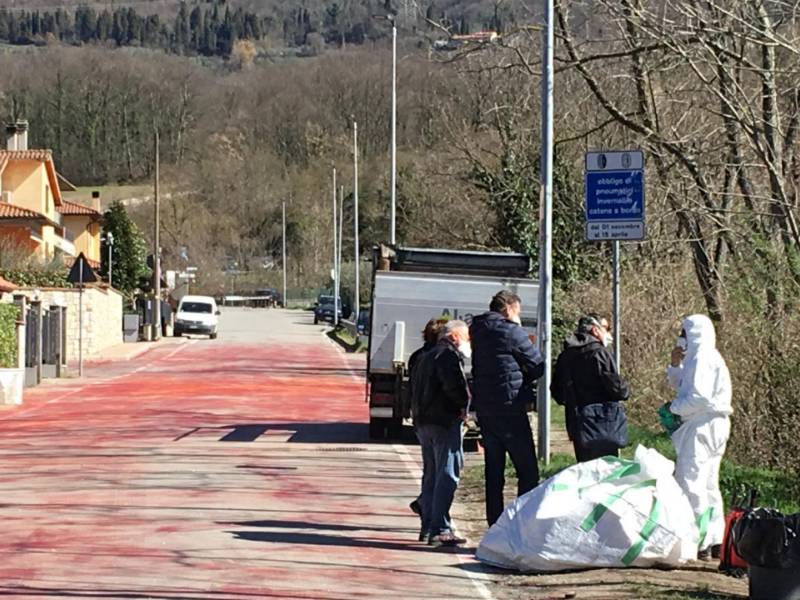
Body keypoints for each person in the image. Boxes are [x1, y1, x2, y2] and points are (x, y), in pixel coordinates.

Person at [469, 290, 544, 527]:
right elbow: (536, 364)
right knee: (528, 470)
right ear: (509, 309)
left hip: (486, 410)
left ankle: (495, 524)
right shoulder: (511, 331)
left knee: (494, 471)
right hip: (511, 408)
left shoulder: (478, 330)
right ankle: (522, 524)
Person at [667, 314, 732, 559]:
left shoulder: (702, 358)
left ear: (694, 334)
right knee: (708, 485)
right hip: (714, 424)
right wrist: (675, 365)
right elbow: (685, 384)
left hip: (702, 426)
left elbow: (698, 397)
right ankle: (716, 539)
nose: (681, 338)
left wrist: (674, 408)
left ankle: (699, 540)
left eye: (684, 333)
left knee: (691, 481)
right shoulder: (704, 357)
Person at [410, 319, 471, 546]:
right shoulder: (447, 356)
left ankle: (428, 526)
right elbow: (454, 387)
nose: (468, 342)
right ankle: (440, 528)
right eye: (466, 337)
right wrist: (464, 407)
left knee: (432, 474)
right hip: (444, 421)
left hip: (424, 421)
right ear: (455, 336)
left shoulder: (425, 356)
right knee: (447, 474)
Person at [551, 314, 630, 462]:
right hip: (605, 422)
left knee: (585, 470)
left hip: (577, 423)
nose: (609, 333)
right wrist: (625, 389)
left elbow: (557, 392)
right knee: (607, 471)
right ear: (595, 330)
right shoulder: (600, 353)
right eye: (607, 328)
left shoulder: (565, 356)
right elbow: (618, 389)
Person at [407, 317, 449, 541]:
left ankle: (426, 517)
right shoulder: (442, 358)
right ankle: (434, 519)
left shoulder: (417, 357)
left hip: (421, 420)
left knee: (430, 470)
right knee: (442, 472)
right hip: (439, 419)